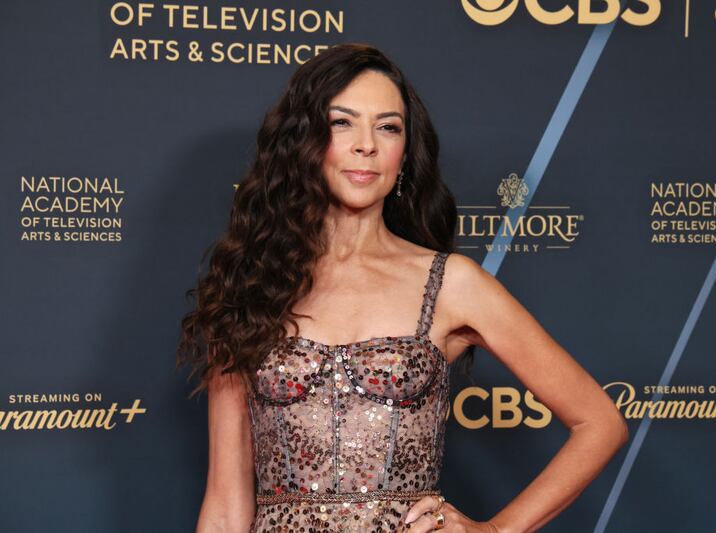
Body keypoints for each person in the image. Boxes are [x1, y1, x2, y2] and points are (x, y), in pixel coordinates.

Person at [177, 42, 628, 533]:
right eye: (342, 122)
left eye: (388, 127)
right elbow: (226, 503)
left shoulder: (450, 283)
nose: (366, 145)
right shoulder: (250, 286)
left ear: (405, 153)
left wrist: (495, 530)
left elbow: (599, 423)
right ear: (303, 141)